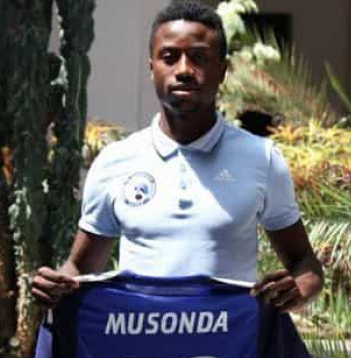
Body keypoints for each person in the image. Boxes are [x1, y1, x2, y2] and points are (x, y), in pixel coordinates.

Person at [31, 0, 323, 311]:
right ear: (152, 68)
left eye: (199, 57)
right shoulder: (115, 162)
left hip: (228, 340)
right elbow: (80, 269)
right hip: (138, 338)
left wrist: (300, 289)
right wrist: (55, 285)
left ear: (222, 70)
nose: (183, 70)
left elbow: (304, 262)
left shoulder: (261, 158)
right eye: (169, 58)